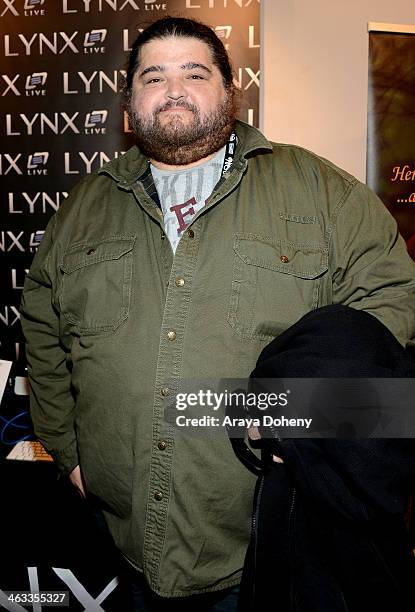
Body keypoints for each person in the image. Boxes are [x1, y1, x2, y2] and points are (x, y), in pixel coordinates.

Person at [20, 15, 415, 612]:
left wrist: (305, 420)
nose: (174, 89)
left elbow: (389, 310)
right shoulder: (84, 206)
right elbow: (43, 330)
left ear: (230, 91)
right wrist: (70, 456)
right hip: (122, 540)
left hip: (271, 548)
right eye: (153, 76)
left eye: (194, 72)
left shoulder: (319, 189)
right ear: (130, 104)